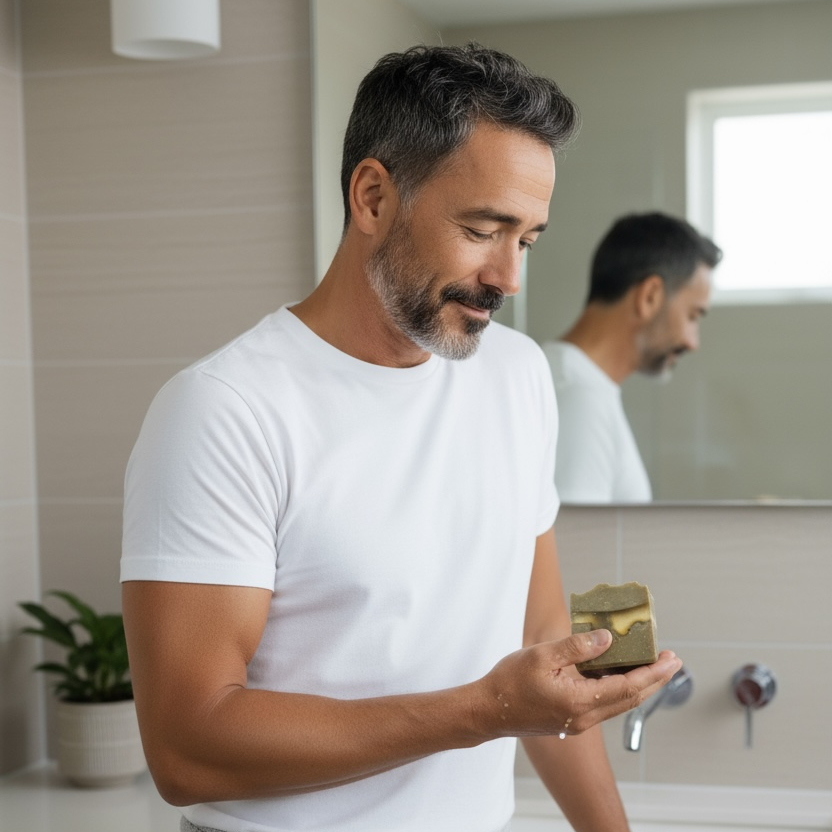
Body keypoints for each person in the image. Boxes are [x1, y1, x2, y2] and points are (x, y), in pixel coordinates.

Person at [120, 44, 682, 832]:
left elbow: (539, 642)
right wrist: (486, 709)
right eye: (484, 229)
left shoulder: (516, 376)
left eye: (526, 239)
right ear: (374, 197)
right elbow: (186, 750)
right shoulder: (225, 411)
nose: (509, 279)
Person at [544, 212, 722, 504]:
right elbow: (577, 545)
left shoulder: (566, 379)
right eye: (692, 316)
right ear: (649, 296)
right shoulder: (580, 397)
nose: (693, 342)